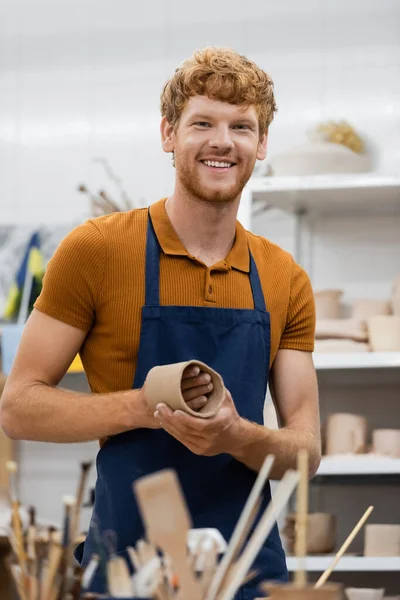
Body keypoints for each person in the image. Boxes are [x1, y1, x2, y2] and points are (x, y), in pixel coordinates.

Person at [0, 47, 321, 598]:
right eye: (203, 123)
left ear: (261, 144)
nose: (223, 141)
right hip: (131, 560)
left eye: (242, 126)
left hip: (245, 566)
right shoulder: (97, 250)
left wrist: (234, 434)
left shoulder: (284, 277)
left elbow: (306, 452)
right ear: (168, 133)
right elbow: (18, 407)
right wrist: (142, 407)